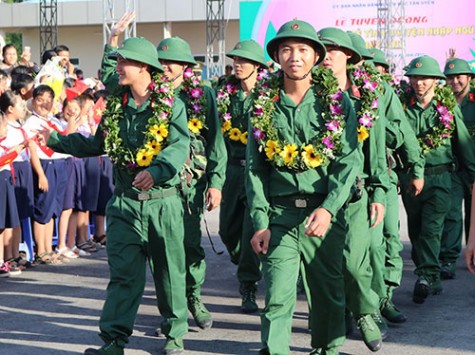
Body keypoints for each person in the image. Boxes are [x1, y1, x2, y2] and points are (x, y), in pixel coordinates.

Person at [38, 33, 190, 354]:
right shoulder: (117, 109)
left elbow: (179, 146)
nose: (118, 67)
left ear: (145, 68)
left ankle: (175, 333)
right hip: (124, 204)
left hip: (163, 205)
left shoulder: (171, 105)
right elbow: (96, 144)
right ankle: (114, 340)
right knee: (123, 276)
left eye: (124, 61)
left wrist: (158, 170)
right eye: (118, 60)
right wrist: (55, 141)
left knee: (169, 274)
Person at [247, 20, 359, 355]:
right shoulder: (262, 105)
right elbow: (255, 169)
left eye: (302, 50)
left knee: (327, 296)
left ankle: (326, 350)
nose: (294, 56)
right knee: (278, 298)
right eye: (286, 49)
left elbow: (347, 162)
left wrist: (328, 208)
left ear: (315, 57)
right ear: (277, 56)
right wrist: (260, 222)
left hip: (321, 215)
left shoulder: (337, 104)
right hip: (279, 216)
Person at [318, 27, 388, 351]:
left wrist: (378, 193)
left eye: (335, 49)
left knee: (354, 263)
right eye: (323, 49)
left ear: (349, 56)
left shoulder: (366, 97)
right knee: (327, 269)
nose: (328, 55)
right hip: (318, 196)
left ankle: (365, 312)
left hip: (356, 195)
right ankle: (337, 321)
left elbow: (375, 151)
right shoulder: (310, 95)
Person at [156, 35, 227, 330]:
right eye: (160, 62)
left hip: (191, 182)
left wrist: (216, 182)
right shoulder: (150, 93)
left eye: (171, 62)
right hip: (158, 182)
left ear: (185, 65)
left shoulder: (202, 94)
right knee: (162, 249)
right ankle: (173, 312)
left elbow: (215, 142)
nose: (165, 67)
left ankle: (194, 297)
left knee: (190, 244)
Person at [400, 55, 475, 304]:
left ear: (435, 81)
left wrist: (472, 173)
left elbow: (462, 142)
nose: (419, 83)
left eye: (424, 78)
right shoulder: (402, 107)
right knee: (417, 229)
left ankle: (426, 275)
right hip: (412, 179)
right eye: (415, 77)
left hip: (441, 177)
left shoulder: (447, 108)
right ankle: (429, 274)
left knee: (433, 228)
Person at [218, 39, 268, 313]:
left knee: (252, 227)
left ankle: (248, 284)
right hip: (231, 169)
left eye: (243, 61)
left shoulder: (268, 94)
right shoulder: (225, 92)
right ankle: (246, 261)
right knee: (227, 229)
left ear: (257, 66)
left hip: (257, 171)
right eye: (235, 60)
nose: (237, 65)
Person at [439, 58, 475, 279]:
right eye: (450, 78)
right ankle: (449, 259)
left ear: (469, 78)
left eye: (458, 76)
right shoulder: (443, 102)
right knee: (451, 212)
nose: (454, 81)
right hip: (454, 168)